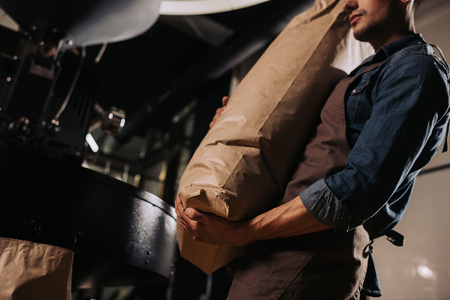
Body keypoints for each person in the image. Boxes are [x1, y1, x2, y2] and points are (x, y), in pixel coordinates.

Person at [176, 0, 450, 298]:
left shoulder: (416, 68)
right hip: (282, 252)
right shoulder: (371, 68)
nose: (349, 2)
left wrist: (241, 233)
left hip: (312, 259)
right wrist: (237, 121)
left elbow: (357, 189)